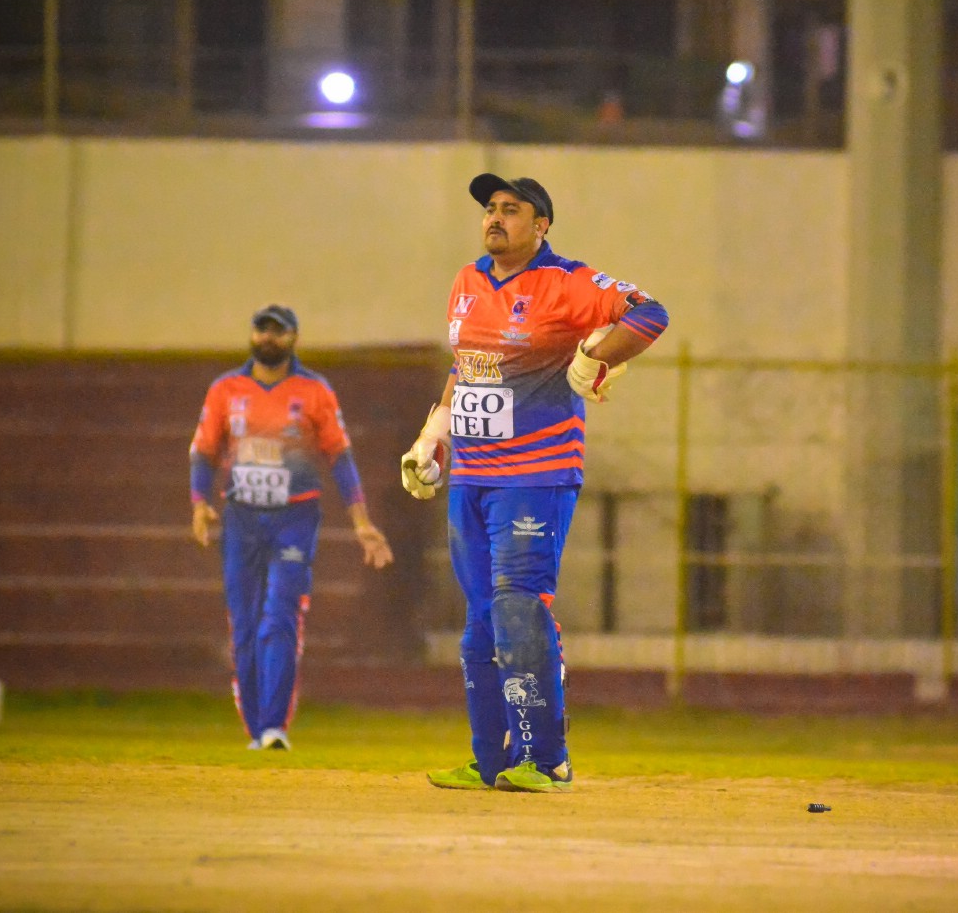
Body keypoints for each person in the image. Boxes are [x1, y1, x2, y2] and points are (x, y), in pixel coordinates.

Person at [400, 173, 669, 793]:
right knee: (480, 620)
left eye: (511, 210)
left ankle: (548, 760)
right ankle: (491, 762)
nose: (495, 218)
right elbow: (466, 367)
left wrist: (599, 357)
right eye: (490, 209)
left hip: (536, 473)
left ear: (541, 225)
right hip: (472, 475)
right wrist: (431, 437)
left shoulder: (567, 281)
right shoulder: (468, 281)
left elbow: (651, 313)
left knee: (519, 605)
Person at [190, 304, 393, 750]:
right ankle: (256, 727)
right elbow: (203, 452)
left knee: (279, 617)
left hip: (294, 519)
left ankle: (274, 727)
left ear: (293, 338)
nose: (268, 338)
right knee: (244, 625)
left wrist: (361, 522)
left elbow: (340, 456)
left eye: (277, 332)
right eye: (261, 330)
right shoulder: (226, 390)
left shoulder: (314, 391)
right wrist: (199, 504)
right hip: (241, 520)